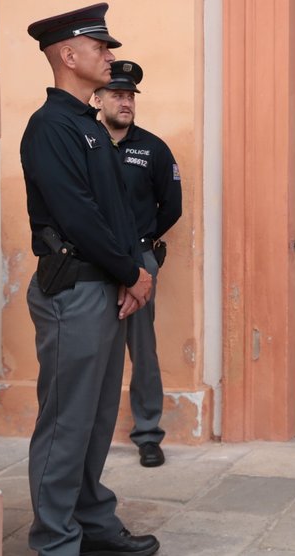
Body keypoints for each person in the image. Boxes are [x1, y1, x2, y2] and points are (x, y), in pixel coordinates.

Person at [21, 3, 160, 556]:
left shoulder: (87, 125)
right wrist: (132, 272)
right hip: (74, 288)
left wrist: (135, 273)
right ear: (68, 55)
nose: (110, 55)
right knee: (65, 422)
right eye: (101, 47)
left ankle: (91, 519)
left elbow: (117, 212)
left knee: (98, 417)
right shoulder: (51, 126)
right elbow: (78, 217)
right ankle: (55, 541)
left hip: (104, 287)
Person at [93, 60, 182, 469]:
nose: (125, 102)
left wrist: (143, 242)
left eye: (130, 96)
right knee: (91, 344)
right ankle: (89, 432)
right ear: (98, 98)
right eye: (117, 94)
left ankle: (148, 434)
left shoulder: (153, 149)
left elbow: (172, 207)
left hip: (140, 258)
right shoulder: (85, 142)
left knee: (142, 349)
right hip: (91, 259)